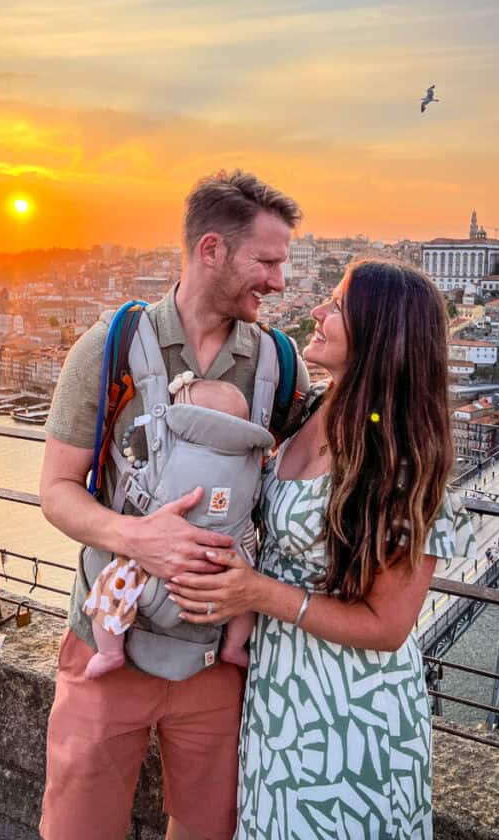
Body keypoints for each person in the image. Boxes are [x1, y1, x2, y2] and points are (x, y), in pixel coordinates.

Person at [39, 170, 308, 840]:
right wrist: (138, 541)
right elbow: (56, 491)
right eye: (267, 262)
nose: (278, 282)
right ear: (211, 250)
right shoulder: (109, 348)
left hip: (219, 656)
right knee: (79, 826)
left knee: (208, 830)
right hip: (111, 645)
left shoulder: (280, 362)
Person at [167, 258, 476, 840]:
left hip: (352, 709)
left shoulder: (404, 464)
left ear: (379, 332)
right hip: (278, 688)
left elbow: (388, 626)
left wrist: (257, 592)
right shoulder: (310, 409)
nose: (317, 311)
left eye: (335, 305)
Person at [82, 376, 262, 679]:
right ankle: (233, 646)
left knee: (112, 585)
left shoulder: (173, 457)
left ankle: (109, 652)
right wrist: (246, 552)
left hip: (158, 559)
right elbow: (246, 520)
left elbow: (149, 498)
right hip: (223, 562)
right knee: (247, 602)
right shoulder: (248, 467)